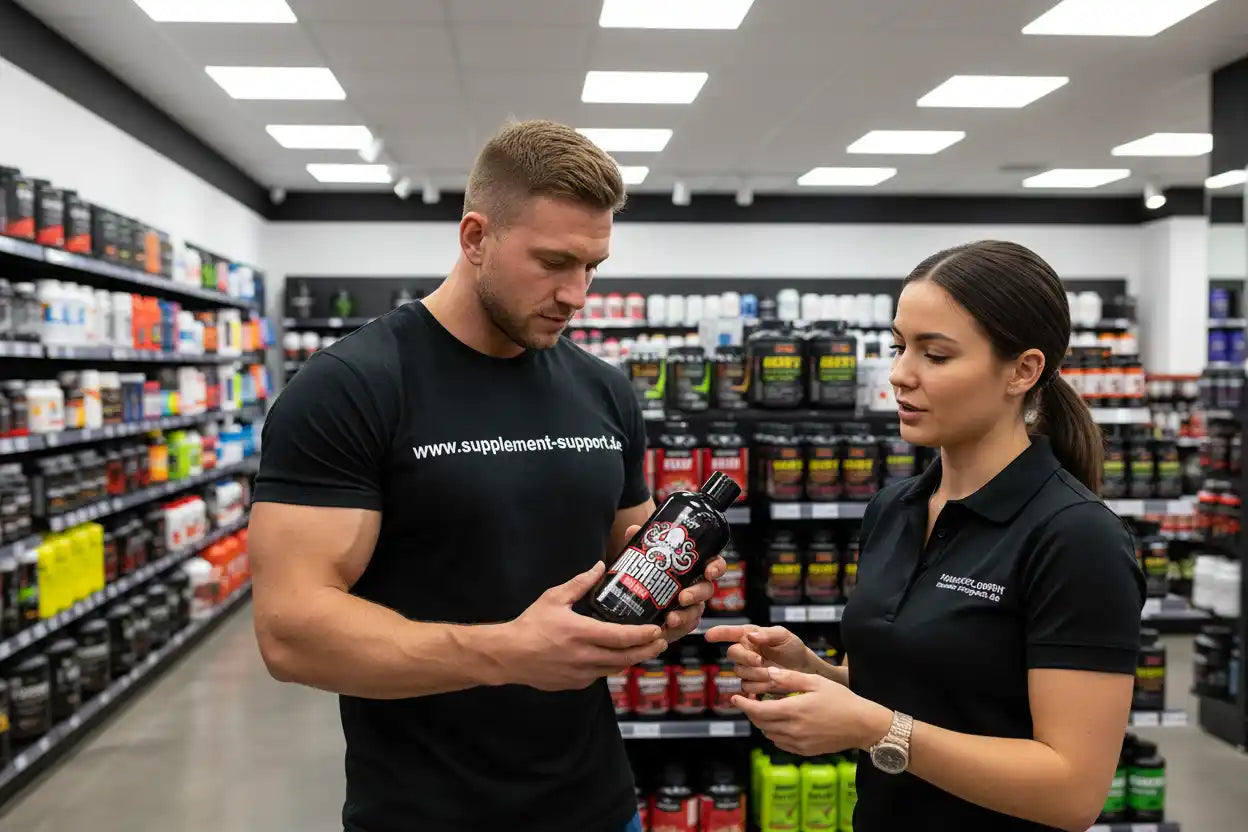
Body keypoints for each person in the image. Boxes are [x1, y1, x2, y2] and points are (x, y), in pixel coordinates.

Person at [249, 119, 724, 832]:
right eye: (554, 262)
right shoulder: (353, 386)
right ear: (475, 237)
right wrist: (505, 653)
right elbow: (290, 631)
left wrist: (673, 596)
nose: (577, 294)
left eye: (592, 267)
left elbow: (631, 547)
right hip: (423, 812)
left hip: (596, 802)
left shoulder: (604, 391)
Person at [708, 240, 1144, 832]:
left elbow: (1071, 792)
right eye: (898, 346)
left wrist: (874, 729)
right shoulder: (894, 509)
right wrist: (814, 675)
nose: (898, 375)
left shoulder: (1077, 538)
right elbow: (908, 691)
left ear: (1024, 370)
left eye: (934, 355)